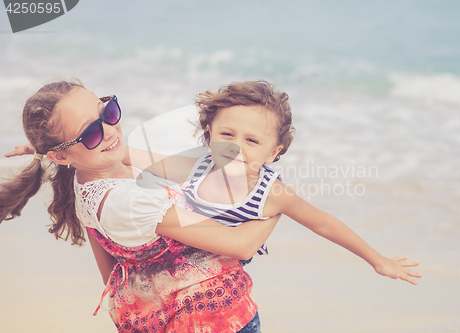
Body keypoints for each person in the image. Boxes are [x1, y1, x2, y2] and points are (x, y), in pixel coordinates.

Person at [0, 80, 281, 333]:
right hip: (216, 320)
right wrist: (277, 199)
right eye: (90, 133)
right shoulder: (132, 202)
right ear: (61, 156)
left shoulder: (90, 175)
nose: (110, 131)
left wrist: (48, 149)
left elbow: (109, 276)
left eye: (107, 112)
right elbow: (241, 245)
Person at [130, 80, 422, 285]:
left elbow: (323, 223)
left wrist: (376, 259)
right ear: (209, 134)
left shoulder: (271, 193)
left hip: (224, 288)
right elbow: (136, 159)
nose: (235, 148)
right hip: (176, 279)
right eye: (226, 135)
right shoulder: (195, 166)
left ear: (274, 152)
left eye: (252, 141)